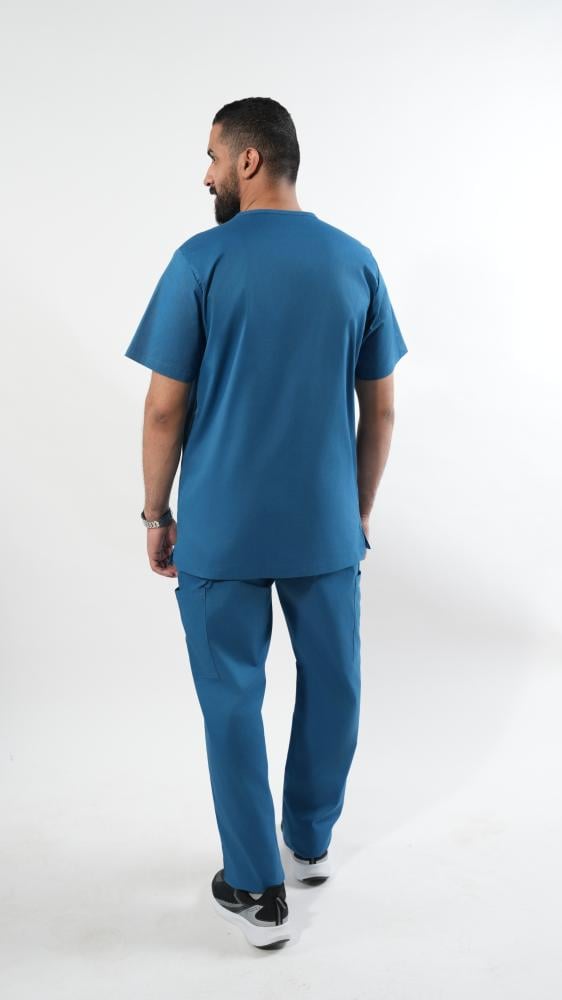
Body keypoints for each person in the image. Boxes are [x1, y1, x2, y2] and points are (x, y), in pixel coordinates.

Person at [124, 96, 408, 950]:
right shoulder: (354, 261)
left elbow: (164, 411)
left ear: (248, 160)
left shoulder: (201, 260)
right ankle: (309, 842)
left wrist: (156, 513)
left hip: (222, 528)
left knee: (230, 699)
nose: (206, 174)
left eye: (212, 156)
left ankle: (255, 888)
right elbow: (381, 410)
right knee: (335, 682)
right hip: (324, 526)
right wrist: (356, 509)